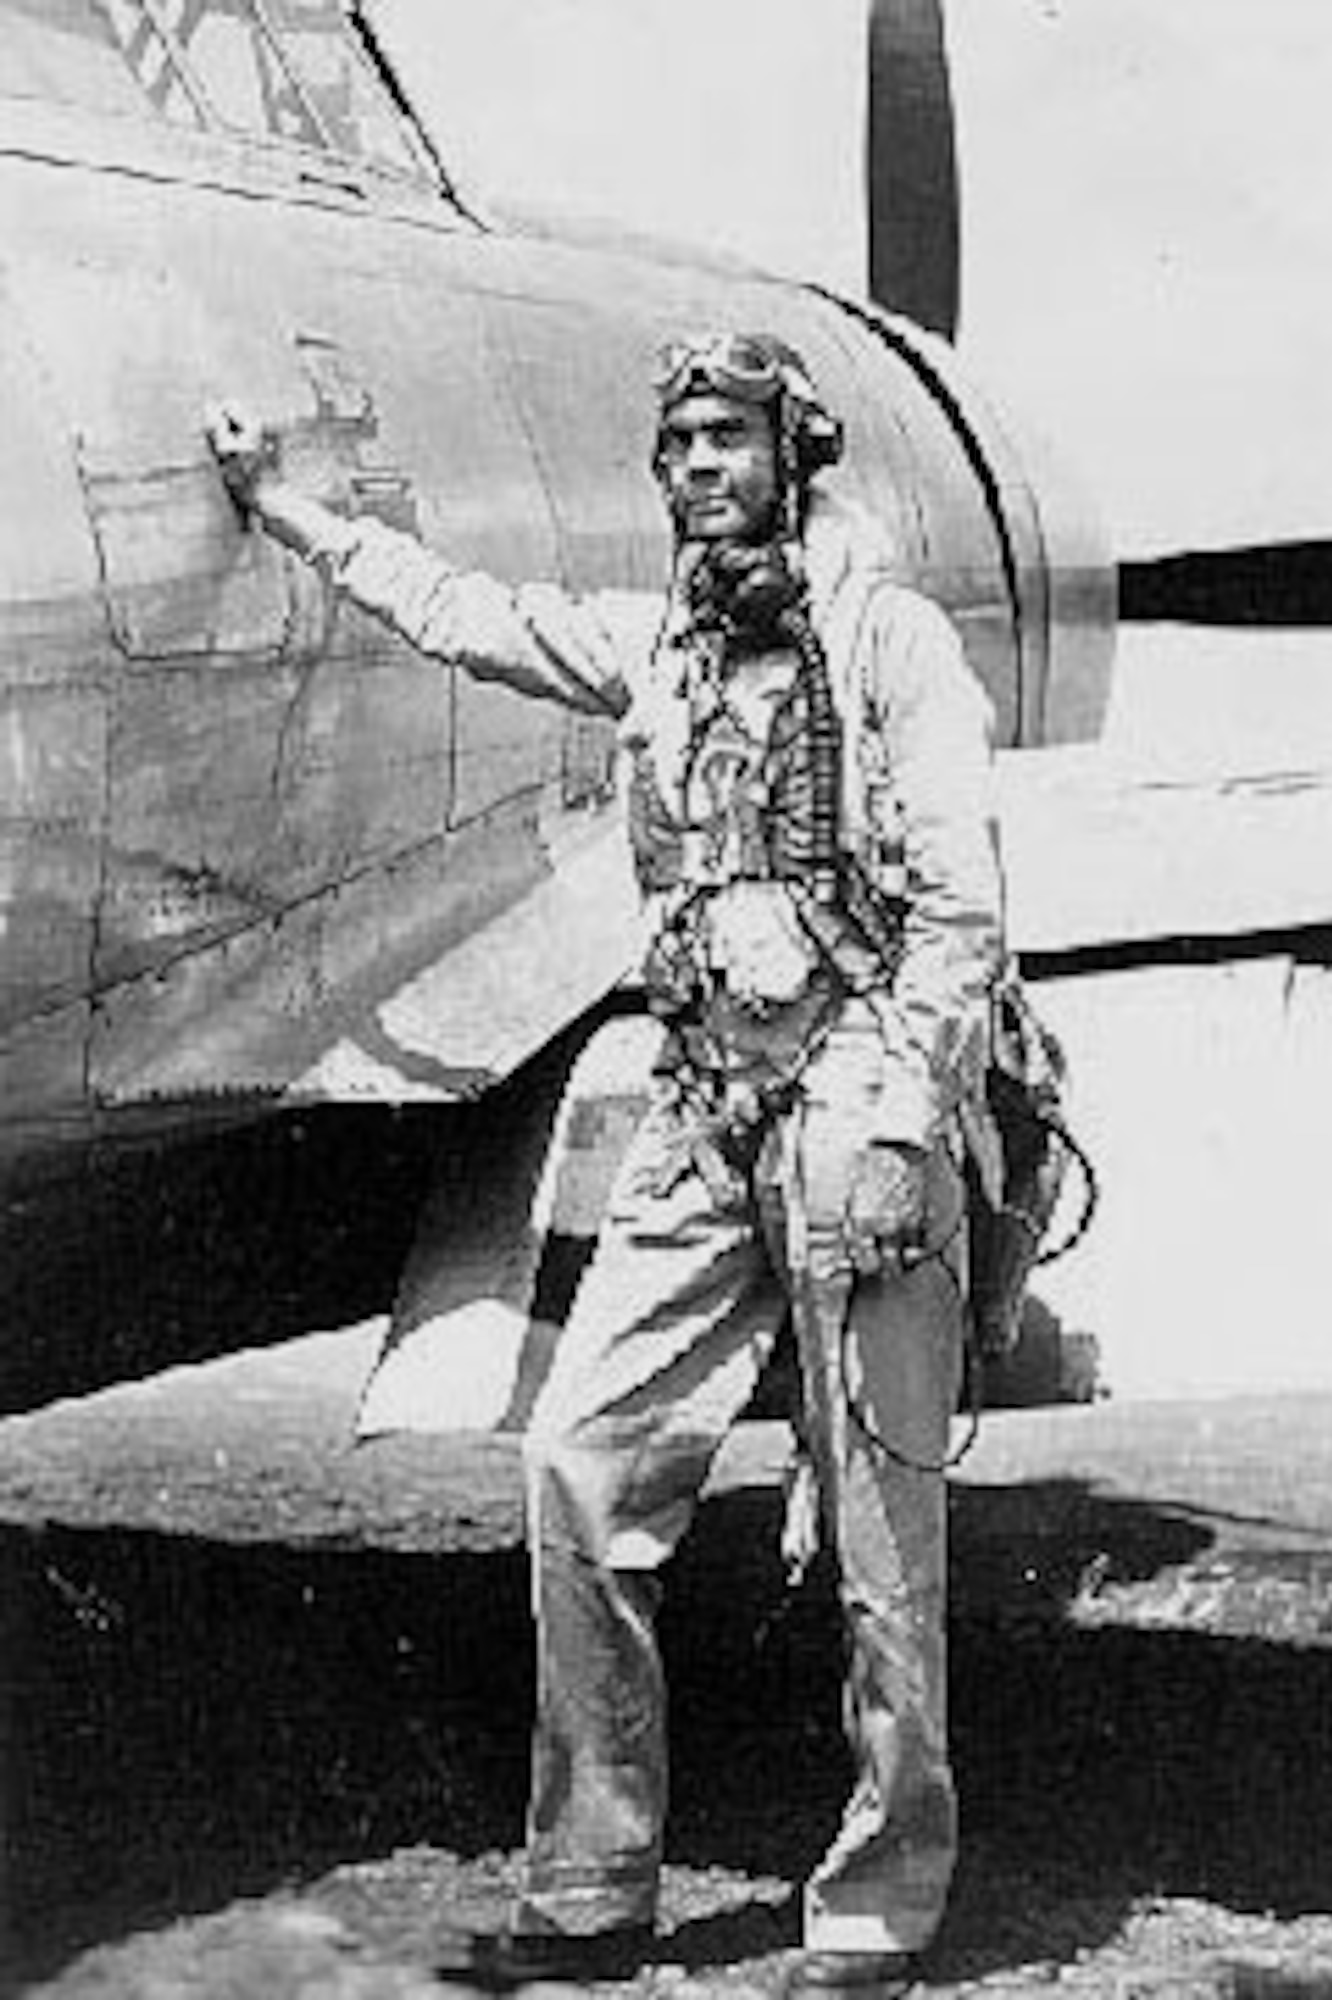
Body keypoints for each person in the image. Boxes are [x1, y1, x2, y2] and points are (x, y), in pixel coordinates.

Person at [209, 330, 1006, 1998]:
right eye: (680, 446)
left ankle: (882, 1896)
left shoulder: (894, 649)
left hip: (863, 1096)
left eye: (730, 439)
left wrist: (908, 1130)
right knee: (577, 1459)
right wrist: (288, 515)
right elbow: (461, 611)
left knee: (878, 1526)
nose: (701, 468)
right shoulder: (658, 653)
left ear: (796, 455)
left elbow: (957, 917)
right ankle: (591, 1879)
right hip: (705, 1096)